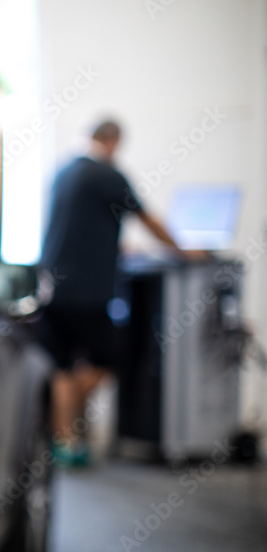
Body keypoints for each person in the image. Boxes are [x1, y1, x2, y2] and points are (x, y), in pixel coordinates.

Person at [38, 119, 195, 465]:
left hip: (52, 288)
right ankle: (62, 429)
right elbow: (148, 219)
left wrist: (114, 247)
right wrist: (184, 251)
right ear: (112, 141)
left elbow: (79, 227)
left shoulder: (65, 171)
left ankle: (63, 441)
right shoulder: (106, 174)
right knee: (112, 359)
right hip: (85, 292)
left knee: (64, 365)